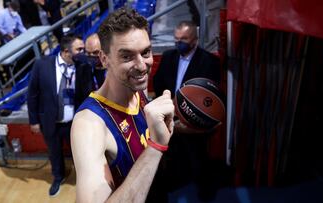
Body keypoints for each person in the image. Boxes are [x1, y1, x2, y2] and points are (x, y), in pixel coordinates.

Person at [71, 7, 175, 202]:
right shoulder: (89, 125)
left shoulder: (138, 88)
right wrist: (155, 146)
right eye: (127, 56)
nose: (142, 65)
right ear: (104, 59)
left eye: (146, 52)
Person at [152, 20, 221, 200]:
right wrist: (169, 103)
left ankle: (204, 192)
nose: (178, 42)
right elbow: (158, 82)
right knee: (173, 157)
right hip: (171, 116)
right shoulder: (168, 56)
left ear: (195, 40)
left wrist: (189, 110)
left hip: (195, 121)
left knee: (198, 159)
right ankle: (176, 182)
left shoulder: (210, 61)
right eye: (176, 39)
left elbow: (211, 96)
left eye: (183, 39)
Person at [27, 34, 84, 197]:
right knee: (54, 152)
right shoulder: (41, 65)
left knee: (78, 151)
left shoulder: (82, 67)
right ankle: (58, 177)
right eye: (79, 49)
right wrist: (34, 120)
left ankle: (83, 177)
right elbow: (32, 94)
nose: (82, 52)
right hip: (50, 121)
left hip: (73, 122)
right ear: (66, 51)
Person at [74, 33, 106, 111]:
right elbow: (79, 99)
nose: (91, 56)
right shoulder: (82, 71)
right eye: (88, 53)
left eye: (95, 52)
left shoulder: (115, 69)